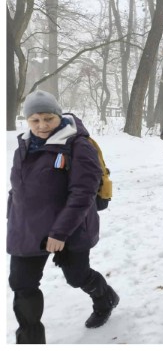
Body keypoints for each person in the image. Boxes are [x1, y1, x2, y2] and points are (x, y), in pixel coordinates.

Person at [7, 90, 119, 344]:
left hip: (71, 229)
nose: (42, 125)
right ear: (27, 121)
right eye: (35, 120)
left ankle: (105, 298)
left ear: (59, 116)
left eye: (48, 118)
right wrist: (12, 213)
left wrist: (59, 233)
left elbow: (83, 194)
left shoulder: (78, 146)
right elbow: (19, 186)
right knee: (22, 285)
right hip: (28, 230)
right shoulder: (23, 145)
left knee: (77, 276)